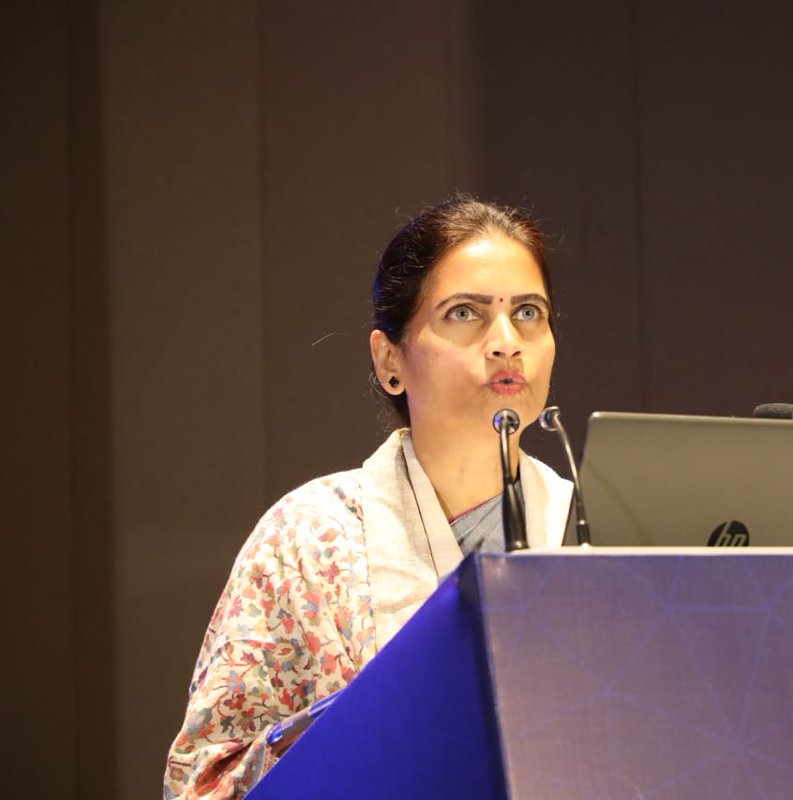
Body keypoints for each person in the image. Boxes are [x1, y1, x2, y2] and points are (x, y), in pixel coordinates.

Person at [164, 194, 574, 799]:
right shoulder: (306, 540)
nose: (506, 342)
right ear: (390, 361)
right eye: (465, 313)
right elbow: (202, 783)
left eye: (529, 313)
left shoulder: (600, 533)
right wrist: (369, 731)